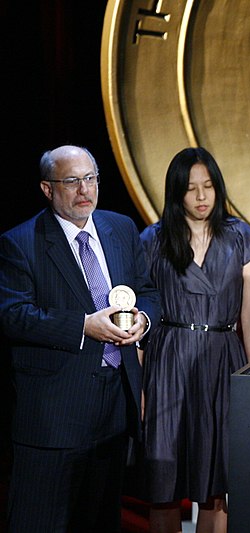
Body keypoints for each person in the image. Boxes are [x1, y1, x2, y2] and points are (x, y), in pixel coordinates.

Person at [0, 145, 160, 532]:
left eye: (90, 178)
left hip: (114, 409)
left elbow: (148, 291)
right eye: (71, 181)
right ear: (47, 188)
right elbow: (13, 316)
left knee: (101, 521)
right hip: (54, 415)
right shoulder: (21, 242)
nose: (84, 189)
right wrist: (82, 326)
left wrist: (144, 322)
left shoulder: (120, 228)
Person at [140, 147, 250, 532]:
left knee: (215, 480)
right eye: (191, 188)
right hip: (168, 359)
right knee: (164, 477)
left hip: (222, 357)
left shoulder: (240, 236)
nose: (201, 196)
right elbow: (142, 315)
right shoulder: (153, 240)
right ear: (177, 192)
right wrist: (141, 388)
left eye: (208, 186)